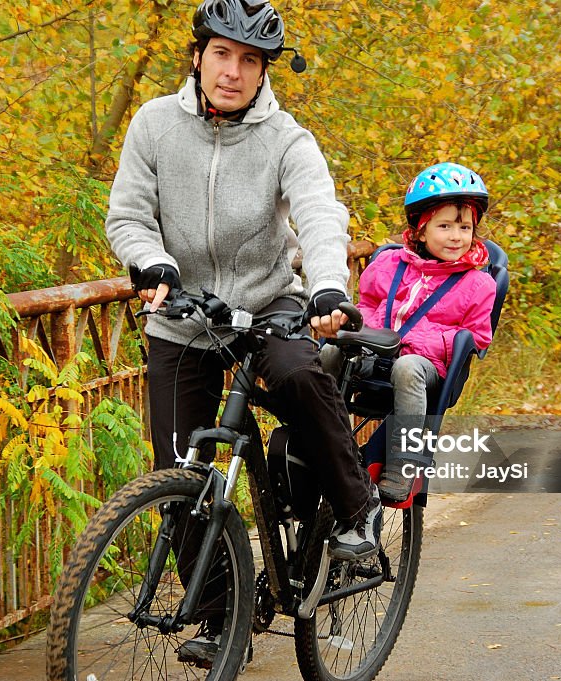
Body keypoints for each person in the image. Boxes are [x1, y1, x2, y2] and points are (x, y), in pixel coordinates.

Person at [104, 0, 380, 666]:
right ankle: (221, 615)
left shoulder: (286, 137)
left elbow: (318, 212)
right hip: (185, 312)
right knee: (180, 474)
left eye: (249, 60)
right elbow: (127, 217)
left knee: (296, 373)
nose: (233, 71)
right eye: (222, 54)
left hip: (268, 305)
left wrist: (328, 288)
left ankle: (355, 508)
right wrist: (151, 261)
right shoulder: (153, 124)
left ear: (263, 71)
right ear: (197, 55)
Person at [321, 162, 498, 503]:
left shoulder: (478, 284)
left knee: (408, 366)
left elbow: (476, 337)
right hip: (376, 353)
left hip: (426, 367)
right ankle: (322, 438)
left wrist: (415, 343)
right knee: (330, 353)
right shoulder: (388, 265)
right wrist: (366, 331)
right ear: (420, 229)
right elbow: (369, 304)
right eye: (444, 225)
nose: (456, 236)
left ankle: (403, 463)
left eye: (465, 227)